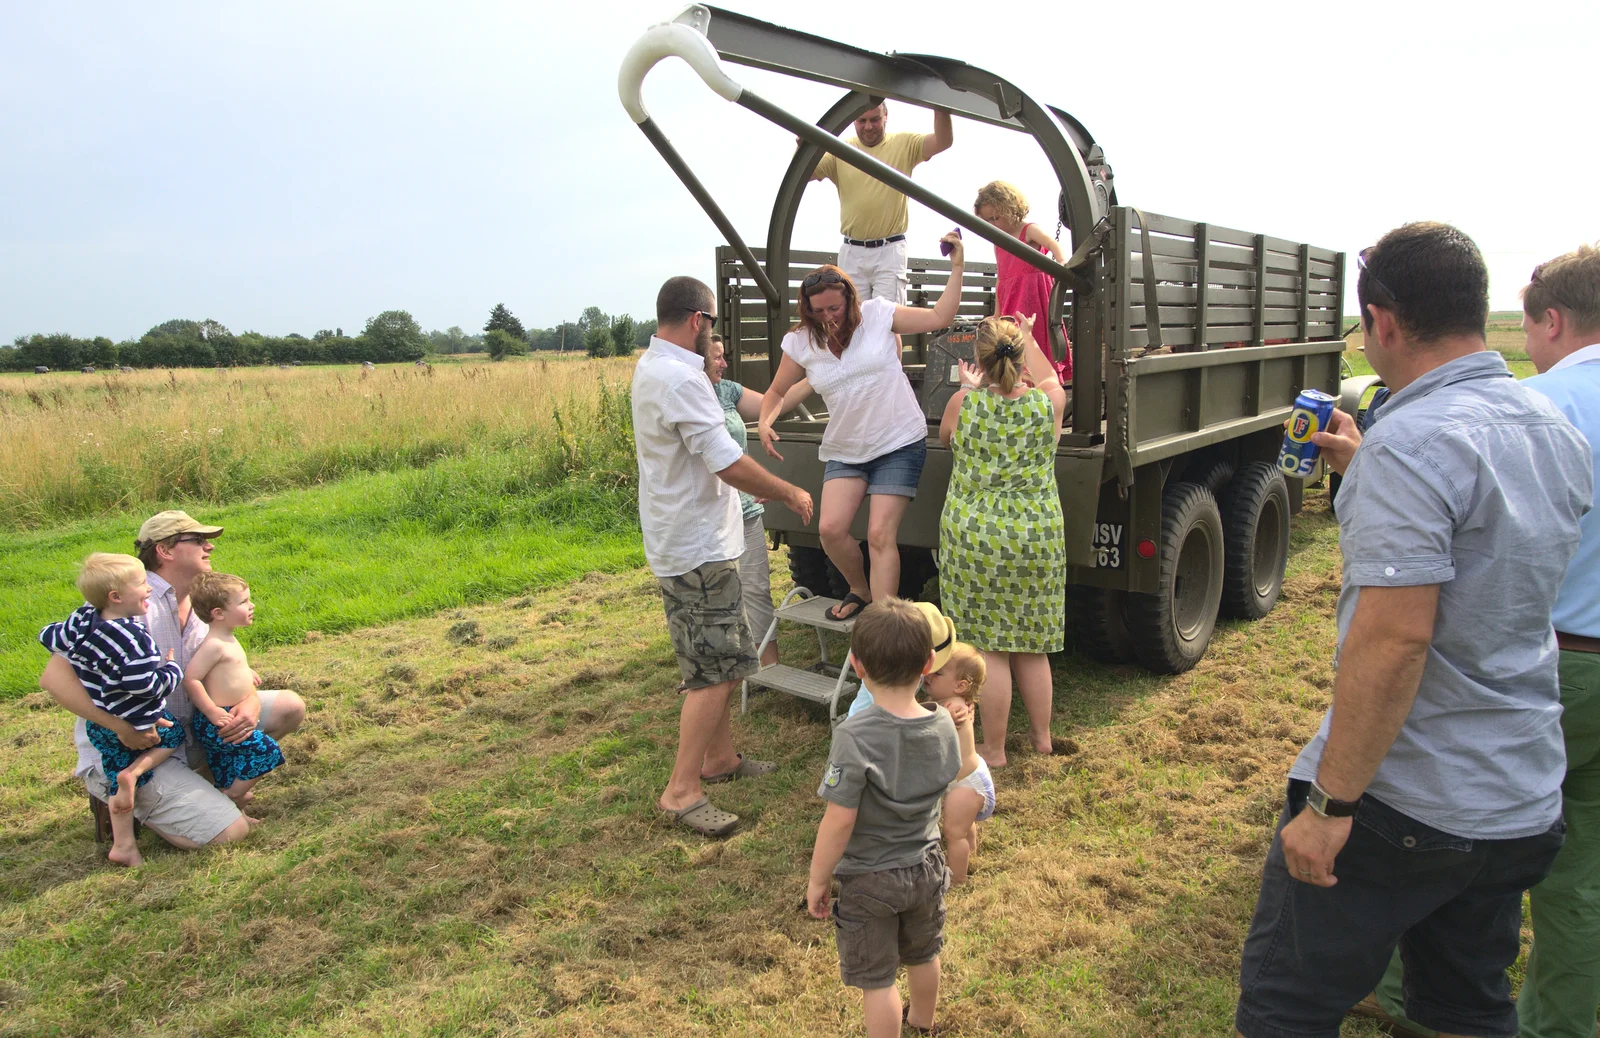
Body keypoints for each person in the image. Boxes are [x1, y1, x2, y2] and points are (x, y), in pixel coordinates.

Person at [1233, 222, 1593, 1038]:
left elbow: (1397, 642)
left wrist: (1329, 804)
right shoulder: (1551, 431)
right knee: (1465, 1010)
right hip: (1518, 795)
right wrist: (1372, 473)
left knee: (1286, 1007)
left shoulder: (1415, 443)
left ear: (1384, 323)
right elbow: (1489, 558)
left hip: (1409, 800)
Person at [1362, 245, 1600, 1038]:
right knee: (1579, 872)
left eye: (1529, 329)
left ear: (1554, 321)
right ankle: (1560, 1022)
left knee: (1435, 827)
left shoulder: (1544, 406)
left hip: (1542, 659)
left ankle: (1409, 997)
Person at [634, 277, 815, 837]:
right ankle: (681, 790)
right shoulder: (683, 380)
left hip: (682, 540)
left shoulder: (651, 367)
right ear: (698, 320)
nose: (713, 334)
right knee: (715, 672)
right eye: (712, 324)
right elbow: (726, 460)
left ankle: (720, 761)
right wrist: (788, 491)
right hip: (697, 547)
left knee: (710, 659)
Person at [38, 511, 307, 850]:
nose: (208, 546)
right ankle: (119, 797)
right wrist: (121, 726)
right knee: (230, 833)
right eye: (196, 540)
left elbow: (229, 670)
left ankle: (196, 792)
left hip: (188, 730)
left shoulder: (203, 601)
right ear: (164, 550)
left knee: (288, 707)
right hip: (133, 747)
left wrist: (250, 702)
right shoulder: (123, 605)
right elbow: (53, 678)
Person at [757, 239, 968, 622]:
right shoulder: (801, 341)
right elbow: (775, 391)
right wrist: (765, 420)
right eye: (817, 310)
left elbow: (940, 316)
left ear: (850, 300)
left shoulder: (878, 315)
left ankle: (883, 623)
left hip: (897, 442)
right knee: (831, 530)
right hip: (846, 447)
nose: (828, 317)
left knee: (879, 535)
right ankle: (860, 589)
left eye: (834, 308)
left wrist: (956, 268)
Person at [806, 598, 961, 1038]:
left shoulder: (853, 736)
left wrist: (819, 879)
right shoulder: (944, 724)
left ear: (857, 665)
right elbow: (954, 778)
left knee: (877, 980)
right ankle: (923, 1024)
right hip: (927, 866)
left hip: (871, 877)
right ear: (929, 662)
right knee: (924, 954)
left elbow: (838, 821)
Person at [937, 313, 1067, 766]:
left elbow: (945, 436)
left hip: (976, 539)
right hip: (1036, 536)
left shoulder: (963, 404)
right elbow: (1051, 377)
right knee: (1032, 647)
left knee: (989, 650)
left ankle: (993, 749)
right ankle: (1042, 737)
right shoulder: (1046, 404)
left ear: (979, 359)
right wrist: (1030, 335)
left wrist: (969, 388)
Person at [38, 553, 185, 867]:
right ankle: (132, 781)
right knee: (174, 737)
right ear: (117, 597)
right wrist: (171, 670)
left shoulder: (83, 619)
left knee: (117, 766)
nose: (148, 588)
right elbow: (145, 685)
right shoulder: (133, 640)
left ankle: (124, 838)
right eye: (142, 584)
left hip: (102, 723)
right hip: (136, 718)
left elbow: (50, 636)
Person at [704, 332, 812, 667]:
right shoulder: (687, 397)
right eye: (717, 357)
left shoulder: (728, 390)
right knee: (711, 595)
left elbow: (776, 401)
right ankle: (708, 667)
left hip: (746, 510)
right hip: (709, 513)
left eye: (725, 355)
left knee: (756, 590)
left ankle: (769, 667)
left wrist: (815, 373)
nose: (724, 363)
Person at [809, 101, 954, 304]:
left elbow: (943, 141)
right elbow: (807, 172)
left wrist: (940, 103)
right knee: (852, 324)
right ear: (854, 121)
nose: (868, 126)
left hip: (889, 249)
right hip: (853, 251)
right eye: (862, 120)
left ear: (886, 117)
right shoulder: (840, 150)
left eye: (875, 119)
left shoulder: (904, 143)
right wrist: (803, 148)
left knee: (888, 321)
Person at [182, 572, 285, 807]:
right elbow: (191, 679)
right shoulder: (214, 645)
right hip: (219, 720)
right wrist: (211, 711)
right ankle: (233, 795)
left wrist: (245, 673)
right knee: (265, 750)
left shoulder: (227, 638)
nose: (252, 605)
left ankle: (234, 808)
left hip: (227, 715)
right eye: (243, 602)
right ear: (218, 613)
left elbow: (224, 672)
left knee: (226, 768)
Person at [974, 180, 1073, 382]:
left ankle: (1045, 383)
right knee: (1012, 343)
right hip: (1012, 298)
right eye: (988, 221)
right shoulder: (998, 242)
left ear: (1009, 209)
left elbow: (1052, 244)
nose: (993, 224)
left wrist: (1062, 262)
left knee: (1036, 340)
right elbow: (1001, 279)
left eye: (996, 217)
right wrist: (997, 312)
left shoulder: (1027, 230)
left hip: (1034, 299)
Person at [922, 641, 992, 885]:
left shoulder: (954, 709)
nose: (928, 674)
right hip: (969, 777)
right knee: (963, 826)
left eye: (938, 672)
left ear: (960, 685)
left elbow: (920, 721)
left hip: (966, 784)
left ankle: (958, 878)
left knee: (953, 833)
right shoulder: (949, 703)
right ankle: (971, 854)